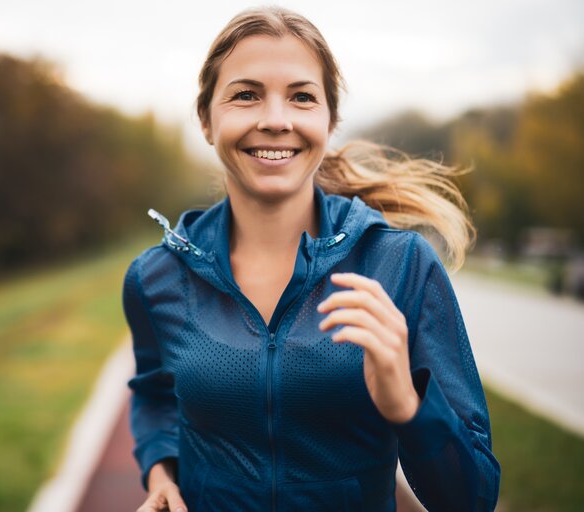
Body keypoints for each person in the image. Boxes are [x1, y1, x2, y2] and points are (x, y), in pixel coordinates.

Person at [123, 6, 500, 512]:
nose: (275, 120)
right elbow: (155, 394)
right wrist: (160, 470)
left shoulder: (401, 266)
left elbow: (471, 498)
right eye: (245, 95)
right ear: (206, 120)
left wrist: (407, 406)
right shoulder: (156, 277)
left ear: (329, 120)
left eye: (301, 97)